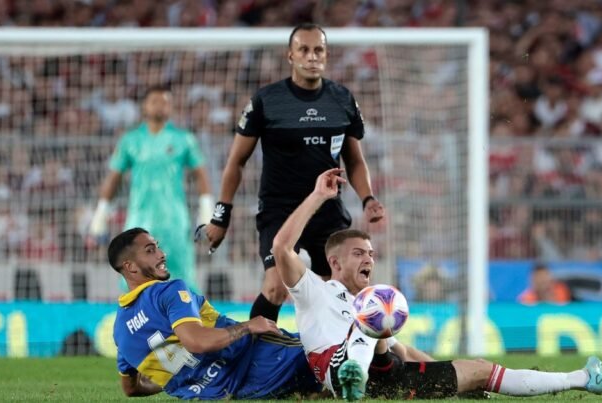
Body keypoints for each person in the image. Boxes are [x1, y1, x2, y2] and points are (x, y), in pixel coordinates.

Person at [272, 168, 602, 401]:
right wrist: (318, 195)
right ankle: (351, 380)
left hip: (385, 375)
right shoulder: (315, 290)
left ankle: (582, 378)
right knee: (375, 308)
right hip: (335, 367)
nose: (369, 260)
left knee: (478, 369)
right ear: (335, 262)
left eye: (372, 253)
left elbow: (404, 353)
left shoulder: (374, 308)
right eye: (359, 253)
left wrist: (447, 376)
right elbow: (281, 248)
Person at [203, 23, 385, 321]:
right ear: (290, 55)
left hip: (327, 210)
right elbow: (236, 160)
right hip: (280, 209)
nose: (312, 56)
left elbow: (354, 160)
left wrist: (368, 199)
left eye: (318, 50)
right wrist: (220, 216)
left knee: (339, 289)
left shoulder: (342, 100)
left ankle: (337, 361)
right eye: (304, 49)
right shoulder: (267, 101)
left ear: (326, 55)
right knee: (276, 287)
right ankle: (255, 358)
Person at [108, 228, 321, 399]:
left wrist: (176, 383)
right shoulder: (168, 291)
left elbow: (131, 388)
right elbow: (196, 341)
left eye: (157, 247)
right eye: (150, 250)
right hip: (258, 363)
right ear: (130, 267)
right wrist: (248, 326)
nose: (162, 254)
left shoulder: (120, 331)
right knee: (329, 350)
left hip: (234, 393)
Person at [89, 85, 212, 291]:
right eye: (155, 101)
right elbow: (114, 178)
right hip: (139, 221)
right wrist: (100, 215)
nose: (160, 106)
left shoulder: (184, 139)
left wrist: (206, 212)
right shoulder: (131, 140)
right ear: (144, 107)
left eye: (165, 102)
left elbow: (200, 174)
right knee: (134, 279)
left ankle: (187, 321)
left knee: (181, 279)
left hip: (174, 222)